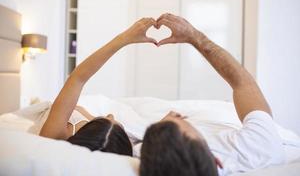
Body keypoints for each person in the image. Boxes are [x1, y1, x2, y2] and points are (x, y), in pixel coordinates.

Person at [139, 13, 284, 176]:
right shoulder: (258, 147)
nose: (173, 115)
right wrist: (194, 37)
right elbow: (242, 83)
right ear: (218, 161)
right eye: (182, 120)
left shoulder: (139, 152)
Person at [39, 17, 158, 156]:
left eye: (106, 119)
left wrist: (125, 38)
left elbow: (78, 77)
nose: (110, 114)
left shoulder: (54, 135)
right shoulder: (111, 147)